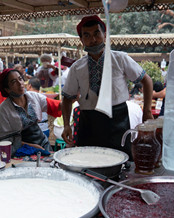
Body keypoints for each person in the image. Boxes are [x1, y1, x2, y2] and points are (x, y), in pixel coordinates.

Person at [61, 15, 153, 158]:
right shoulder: (77, 68)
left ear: (105, 35)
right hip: (88, 122)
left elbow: (146, 80)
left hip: (118, 120)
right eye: (87, 35)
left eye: (97, 33)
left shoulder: (120, 59)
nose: (93, 40)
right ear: (81, 40)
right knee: (88, 162)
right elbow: (67, 98)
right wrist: (67, 125)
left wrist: (147, 111)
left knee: (120, 161)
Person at [0, 69, 62, 154]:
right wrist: (32, 146)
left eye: (20, 79)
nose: (20, 83)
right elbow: (7, 140)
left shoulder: (32, 97)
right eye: (14, 82)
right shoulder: (4, 109)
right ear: (7, 89)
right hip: (22, 150)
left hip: (43, 144)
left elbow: (55, 105)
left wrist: (71, 99)